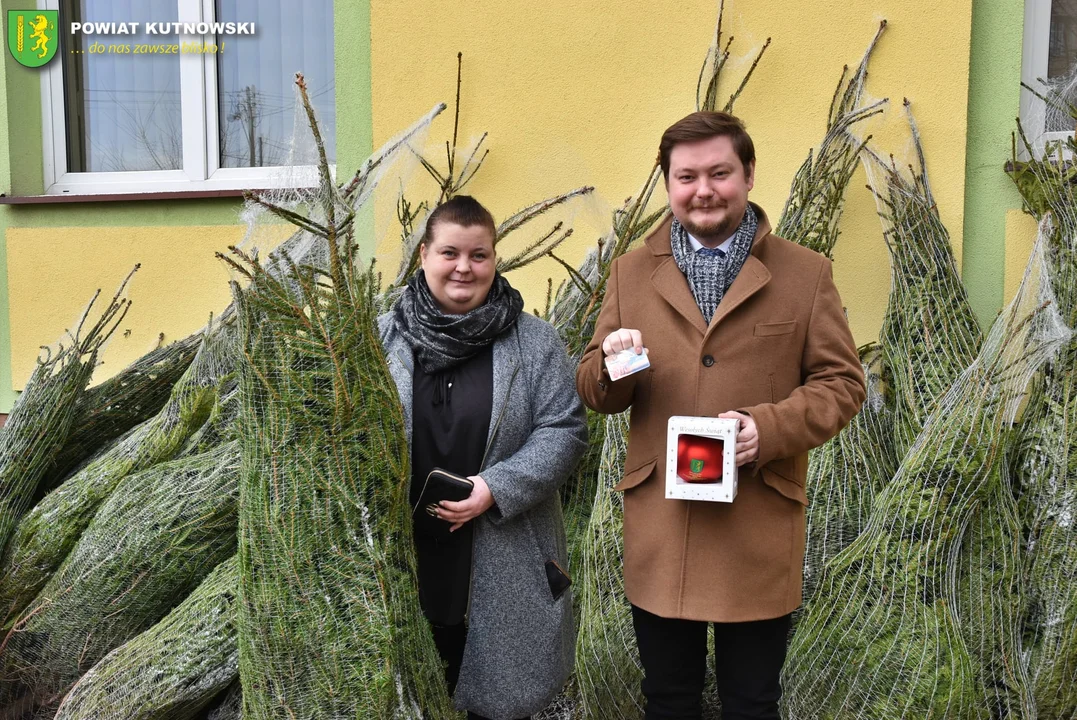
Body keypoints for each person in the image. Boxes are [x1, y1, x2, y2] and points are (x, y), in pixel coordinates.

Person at [576, 111, 866, 720]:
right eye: (686, 177)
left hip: (757, 520)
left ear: (750, 174)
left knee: (753, 702)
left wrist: (770, 428)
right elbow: (596, 392)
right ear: (668, 184)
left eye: (719, 173)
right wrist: (610, 364)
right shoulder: (631, 271)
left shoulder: (805, 272)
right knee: (668, 699)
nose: (702, 189)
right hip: (663, 524)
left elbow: (842, 383)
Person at [379, 195, 588, 720]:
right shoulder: (381, 337)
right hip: (404, 549)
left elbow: (564, 429)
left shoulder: (534, 341)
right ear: (424, 254)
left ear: (495, 259)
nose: (464, 268)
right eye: (450, 252)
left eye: (479, 255)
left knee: (494, 701)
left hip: (503, 549)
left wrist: (497, 488)